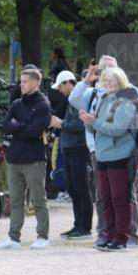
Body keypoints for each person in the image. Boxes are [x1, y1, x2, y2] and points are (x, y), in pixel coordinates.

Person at [68, 56, 138, 248]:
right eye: (105, 79)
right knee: (106, 200)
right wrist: (88, 122)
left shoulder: (127, 99)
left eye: (111, 80)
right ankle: (109, 236)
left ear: (120, 80)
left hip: (120, 156)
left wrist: (93, 122)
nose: (107, 83)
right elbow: (95, 128)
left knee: (121, 199)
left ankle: (122, 238)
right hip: (102, 154)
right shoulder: (101, 98)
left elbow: (117, 129)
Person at [0, 68, 52, 250]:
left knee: (38, 200)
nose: (21, 84)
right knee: (16, 200)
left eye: (25, 81)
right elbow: (5, 125)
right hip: (15, 158)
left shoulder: (43, 105)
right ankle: (13, 237)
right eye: (21, 81)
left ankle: (43, 236)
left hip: (34, 159)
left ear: (35, 83)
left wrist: (17, 127)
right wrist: (22, 127)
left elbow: (35, 131)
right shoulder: (17, 104)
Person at [49, 70, 92, 240]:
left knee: (81, 187)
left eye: (61, 86)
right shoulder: (70, 99)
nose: (59, 90)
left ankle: (85, 226)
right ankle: (78, 224)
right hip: (69, 148)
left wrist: (62, 124)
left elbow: (81, 125)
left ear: (68, 83)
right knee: (73, 188)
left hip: (78, 149)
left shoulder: (79, 100)